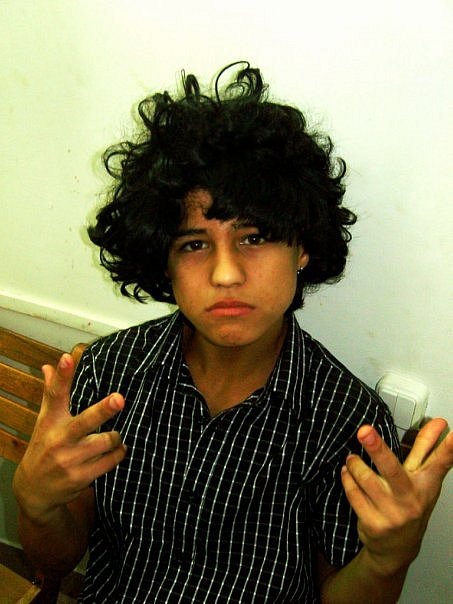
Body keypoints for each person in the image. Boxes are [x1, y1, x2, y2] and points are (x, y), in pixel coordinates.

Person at [13, 62, 452, 603]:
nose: (225, 274)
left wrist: (387, 560)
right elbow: (56, 559)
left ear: (303, 248)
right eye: (194, 244)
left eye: (255, 237)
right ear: (165, 262)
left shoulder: (347, 423)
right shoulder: (108, 375)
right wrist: (35, 501)